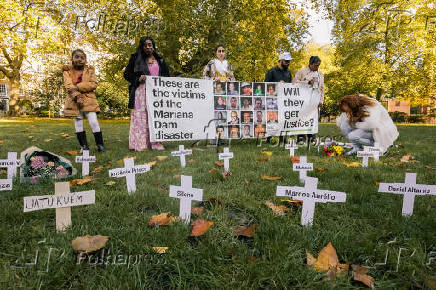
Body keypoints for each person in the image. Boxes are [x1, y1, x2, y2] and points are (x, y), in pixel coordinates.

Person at [124, 36, 170, 151]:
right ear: (142, 46)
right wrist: (138, 78)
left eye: (150, 45)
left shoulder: (160, 59)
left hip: (156, 92)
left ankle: (156, 143)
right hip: (141, 92)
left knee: (156, 116)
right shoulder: (135, 58)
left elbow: (166, 75)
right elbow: (127, 74)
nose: (148, 47)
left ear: (153, 46)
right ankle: (141, 144)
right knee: (141, 117)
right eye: (145, 45)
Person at [62, 49, 106, 152]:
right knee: (78, 122)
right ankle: (84, 147)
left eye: (82, 58)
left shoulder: (90, 70)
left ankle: (100, 145)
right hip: (74, 101)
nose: (80, 59)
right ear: (72, 59)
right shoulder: (67, 72)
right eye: (77, 57)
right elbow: (68, 85)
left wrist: (78, 87)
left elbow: (93, 84)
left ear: (85, 60)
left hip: (89, 100)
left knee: (93, 121)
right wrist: (77, 96)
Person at [292, 56, 325, 143]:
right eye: (315, 65)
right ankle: (301, 139)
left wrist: (321, 100)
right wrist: (307, 82)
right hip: (303, 101)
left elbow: (322, 89)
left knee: (312, 120)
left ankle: (312, 138)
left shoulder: (321, 75)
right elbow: (294, 83)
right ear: (310, 64)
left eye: (318, 65)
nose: (317, 67)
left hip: (315, 101)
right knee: (302, 119)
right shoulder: (301, 72)